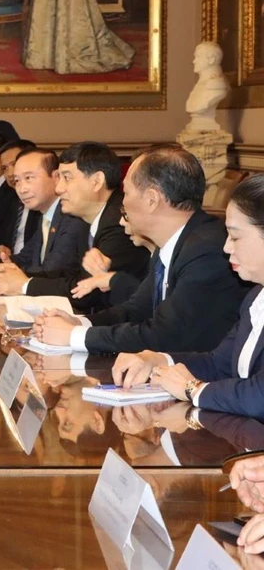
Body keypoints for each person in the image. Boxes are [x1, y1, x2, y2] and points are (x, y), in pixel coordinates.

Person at [32, 144, 250, 354]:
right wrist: (79, 322)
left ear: (151, 199)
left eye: (125, 193)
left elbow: (164, 335)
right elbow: (135, 310)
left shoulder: (205, 250)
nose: (121, 205)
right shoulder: (174, 243)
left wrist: (75, 336)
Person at [112, 175, 264, 421]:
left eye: (235, 237)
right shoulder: (256, 296)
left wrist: (193, 388)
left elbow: (259, 397)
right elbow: (219, 363)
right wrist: (157, 360)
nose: (226, 248)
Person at [0, 143, 149, 307]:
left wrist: (24, 284)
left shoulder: (118, 223)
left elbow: (88, 293)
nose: (58, 189)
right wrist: (13, 276)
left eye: (67, 178)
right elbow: (70, 274)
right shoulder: (87, 218)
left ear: (96, 181)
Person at [0, 148, 87, 291]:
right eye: (17, 181)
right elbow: (23, 258)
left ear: (56, 177)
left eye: (29, 178)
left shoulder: (72, 217)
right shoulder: (45, 215)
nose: (21, 189)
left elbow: (51, 272)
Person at [0, 139, 39, 259]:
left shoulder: (42, 203)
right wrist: (1, 247)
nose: (10, 174)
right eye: (4, 168)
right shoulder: (12, 199)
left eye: (14, 164)